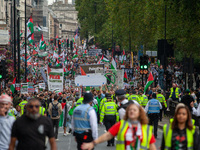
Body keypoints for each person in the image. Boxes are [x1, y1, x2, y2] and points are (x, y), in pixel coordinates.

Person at [82, 103, 157, 150]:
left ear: (139, 113)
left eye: (134, 110)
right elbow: (108, 135)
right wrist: (93, 143)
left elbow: (152, 146)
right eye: (130, 110)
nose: (132, 111)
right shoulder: (122, 124)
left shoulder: (146, 129)